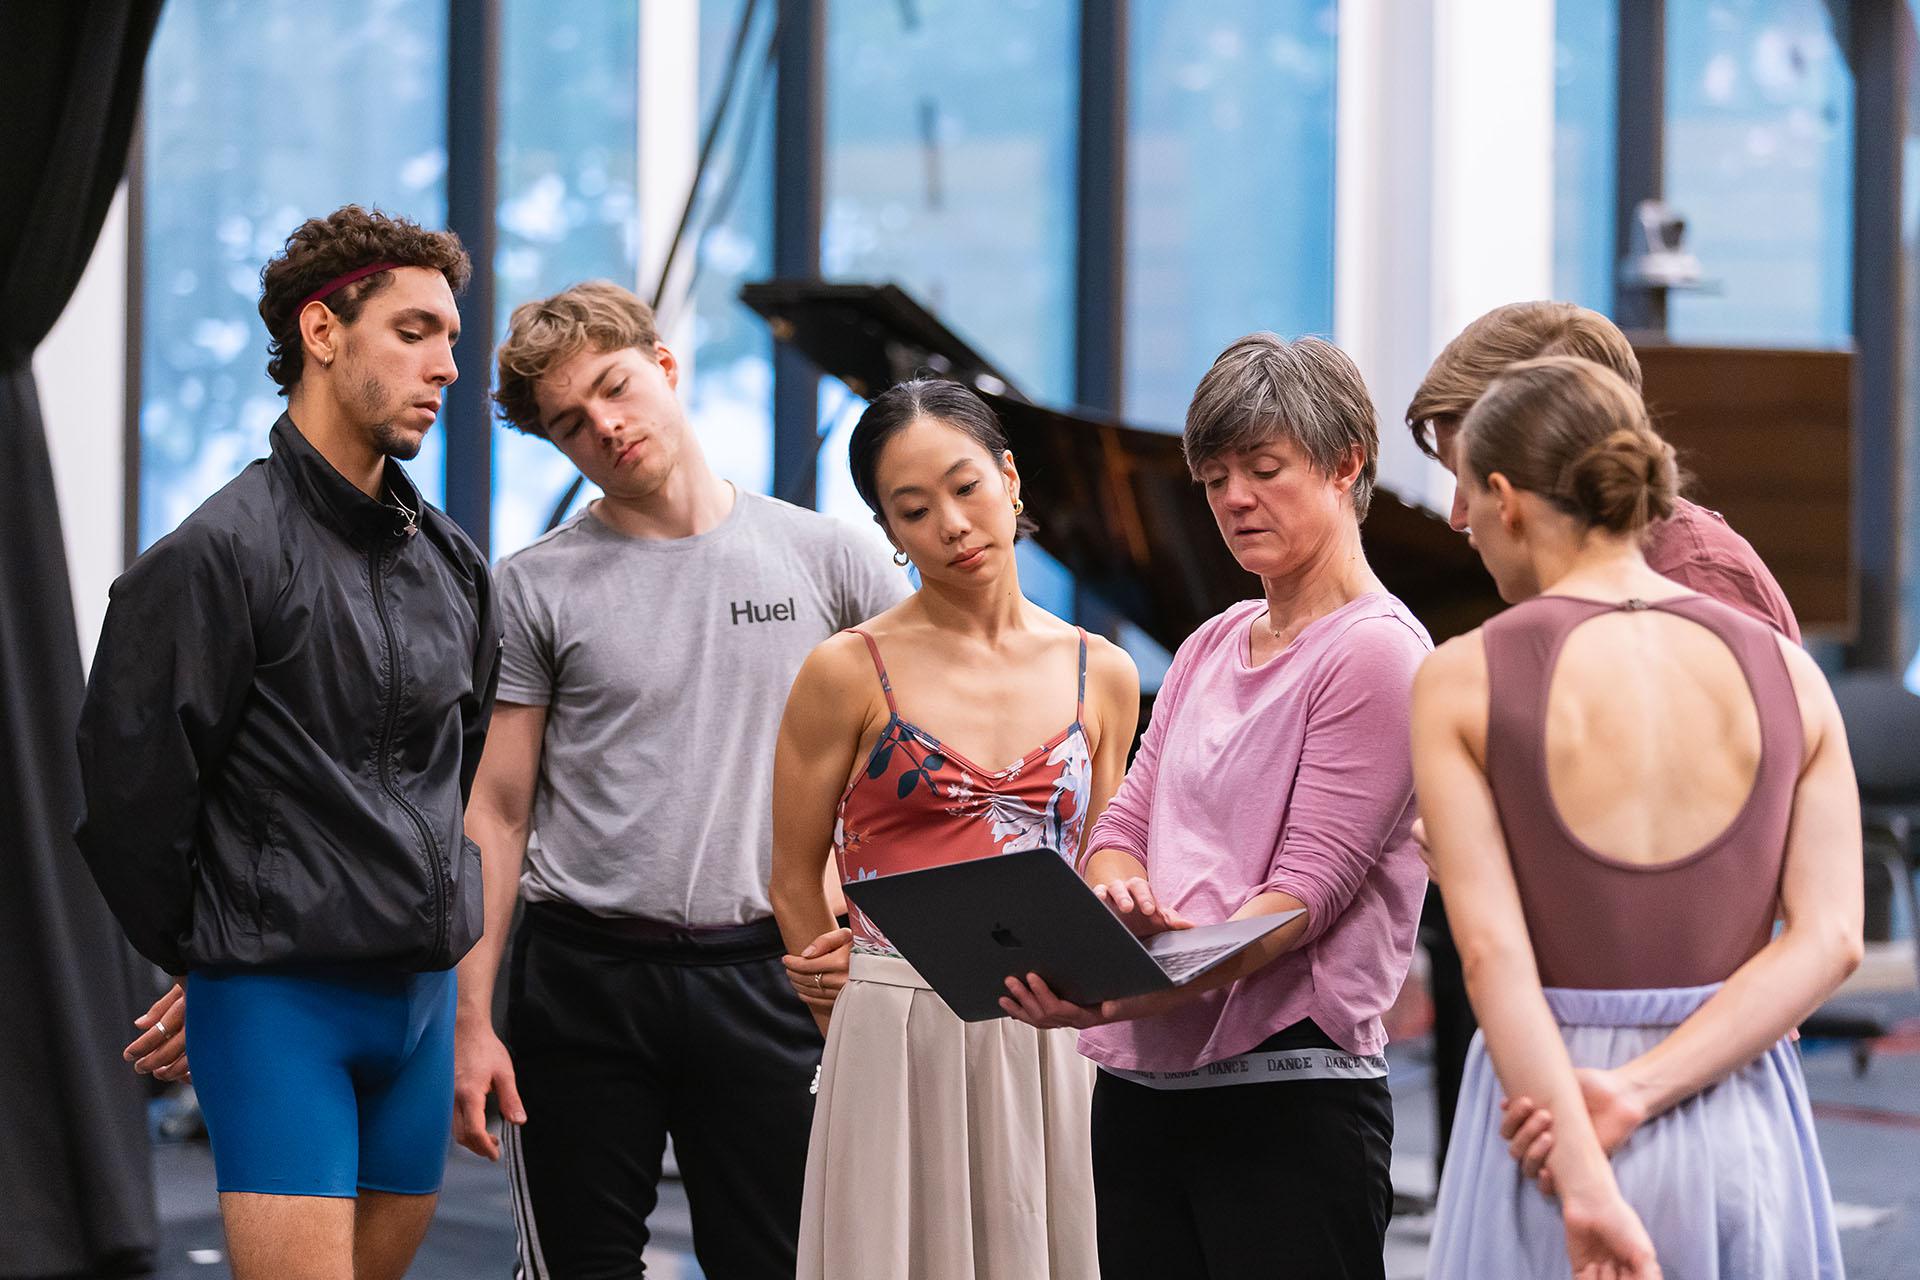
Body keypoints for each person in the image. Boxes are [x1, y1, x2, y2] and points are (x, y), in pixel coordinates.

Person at [75, 206, 498, 1280]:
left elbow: (457, 775)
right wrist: (212, 954)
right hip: (281, 1007)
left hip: (420, 1000)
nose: (448, 365)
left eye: (451, 335)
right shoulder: (214, 555)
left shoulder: (451, 563)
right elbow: (132, 799)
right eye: (415, 331)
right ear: (322, 329)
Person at [456, 280, 907, 1279]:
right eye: (571, 423)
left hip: (773, 973)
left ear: (664, 365)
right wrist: (471, 1016)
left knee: (782, 1262)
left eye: (614, 388)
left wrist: (857, 920)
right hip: (582, 978)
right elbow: (496, 807)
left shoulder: (833, 559)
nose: (605, 426)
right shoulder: (533, 584)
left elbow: (910, 777)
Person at [1413, 356, 1860, 1278]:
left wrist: (1585, 1181)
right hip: (1738, 1108)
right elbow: (1832, 941)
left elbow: (1494, 959)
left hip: (1545, 1113)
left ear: (1507, 498)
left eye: (1465, 497)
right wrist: (1639, 1090)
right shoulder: (1794, 673)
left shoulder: (1462, 677)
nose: (1465, 529)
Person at [1002, 334, 1431, 1280]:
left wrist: (1115, 988)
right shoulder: (1213, 638)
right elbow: (1118, 830)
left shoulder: (1377, 652)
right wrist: (1113, 902)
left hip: (1288, 1099)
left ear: (1346, 463)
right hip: (1147, 1084)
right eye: (1215, 478)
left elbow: (1299, 903)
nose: (1234, 499)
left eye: (1265, 469)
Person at [769, 378, 1140, 1280]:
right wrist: (837, 1001)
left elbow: (1103, 860)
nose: (952, 522)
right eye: (913, 508)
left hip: (1050, 1033)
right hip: (890, 1025)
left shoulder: (1107, 673)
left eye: (966, 486)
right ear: (890, 532)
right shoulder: (845, 670)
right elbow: (791, 872)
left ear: (1011, 480)